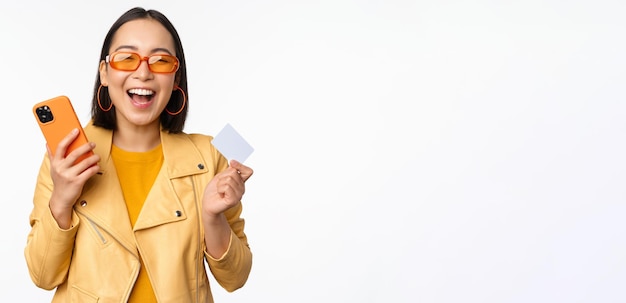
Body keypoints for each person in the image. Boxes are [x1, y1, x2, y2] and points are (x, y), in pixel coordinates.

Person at [24, 7, 253, 302]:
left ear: (175, 77)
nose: (143, 73)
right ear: (104, 73)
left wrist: (212, 217)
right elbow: (42, 276)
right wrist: (61, 200)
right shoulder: (66, 158)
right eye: (127, 58)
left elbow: (236, 278)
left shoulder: (212, 155)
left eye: (160, 61)